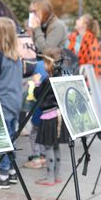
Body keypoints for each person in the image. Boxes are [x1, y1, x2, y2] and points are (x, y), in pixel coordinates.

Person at [0, 17, 23, 189]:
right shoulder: (16, 56)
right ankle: (12, 172)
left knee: (1, 140)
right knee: (11, 138)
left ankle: (2, 175)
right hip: (15, 101)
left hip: (2, 101)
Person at [33, 48, 68, 186]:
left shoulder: (48, 80)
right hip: (60, 116)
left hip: (49, 117)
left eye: (45, 62)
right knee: (56, 147)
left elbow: (38, 95)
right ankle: (57, 175)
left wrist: (36, 83)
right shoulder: (62, 78)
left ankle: (50, 178)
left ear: (50, 63)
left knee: (48, 148)